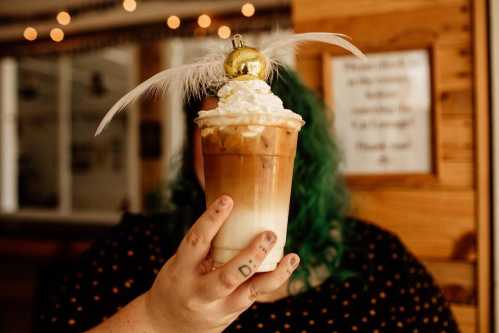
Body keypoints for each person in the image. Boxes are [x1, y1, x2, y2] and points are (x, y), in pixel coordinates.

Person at [34, 67, 459, 332]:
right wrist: (157, 320)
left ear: (299, 149)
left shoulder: (381, 262)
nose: (239, 146)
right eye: (216, 130)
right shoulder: (132, 252)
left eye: (256, 131)